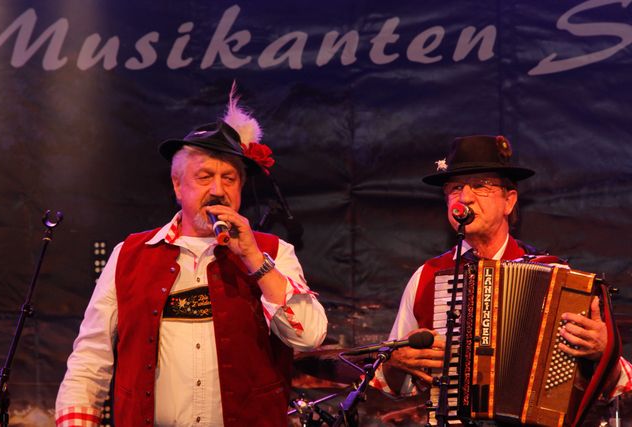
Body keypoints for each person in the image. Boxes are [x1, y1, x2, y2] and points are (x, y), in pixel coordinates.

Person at [55, 88, 328, 427]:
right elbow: (90, 357)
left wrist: (253, 258)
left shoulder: (273, 253)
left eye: (229, 179)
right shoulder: (129, 255)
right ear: (177, 185)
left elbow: (308, 337)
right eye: (204, 177)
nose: (217, 190)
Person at [377, 135, 631, 418]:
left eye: (480, 186)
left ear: (509, 201)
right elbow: (388, 385)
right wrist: (394, 362)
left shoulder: (558, 279)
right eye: (455, 188)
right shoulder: (427, 276)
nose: (465, 197)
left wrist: (603, 352)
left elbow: (618, 385)